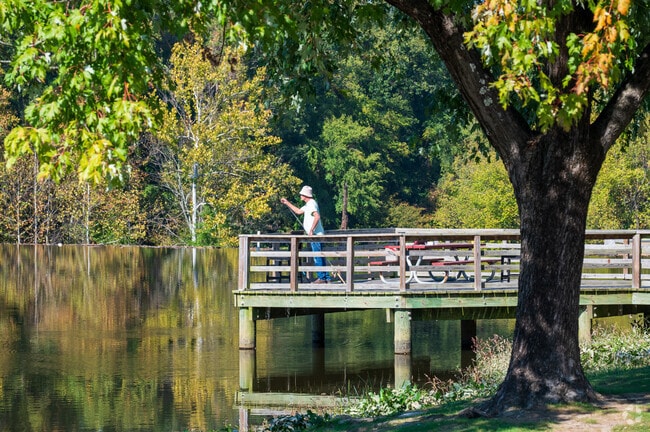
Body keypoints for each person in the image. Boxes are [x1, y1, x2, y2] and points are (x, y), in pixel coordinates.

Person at [280, 186, 331, 283]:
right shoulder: (308, 205)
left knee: (317, 256)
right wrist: (287, 203)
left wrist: (311, 230)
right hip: (315, 235)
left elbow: (317, 217)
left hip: (315, 235)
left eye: (301, 194)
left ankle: (322, 278)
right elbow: (298, 211)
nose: (300, 196)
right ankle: (326, 278)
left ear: (305, 195)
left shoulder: (311, 204)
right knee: (320, 255)